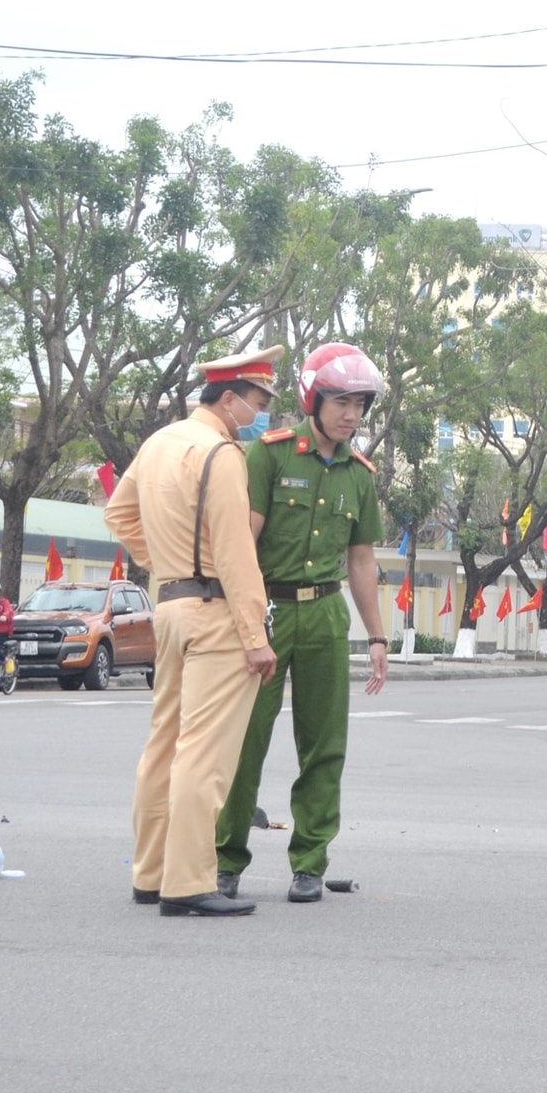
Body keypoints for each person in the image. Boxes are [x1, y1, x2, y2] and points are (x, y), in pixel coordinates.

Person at [106, 346, 281, 916]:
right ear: (227, 399)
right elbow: (236, 554)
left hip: (171, 609)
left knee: (163, 746)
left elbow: (119, 514)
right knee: (204, 755)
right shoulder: (222, 454)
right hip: (215, 614)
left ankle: (150, 874)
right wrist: (255, 636)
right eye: (256, 404)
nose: (259, 416)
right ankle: (188, 883)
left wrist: (163, 563)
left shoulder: (159, 442)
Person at [215, 342, 388, 905]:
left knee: (323, 745)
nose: (352, 415)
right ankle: (225, 861)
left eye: (360, 404)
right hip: (266, 610)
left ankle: (310, 862)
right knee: (246, 741)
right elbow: (243, 540)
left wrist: (378, 636)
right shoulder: (269, 456)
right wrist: (243, 622)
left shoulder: (360, 475)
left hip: (325, 615)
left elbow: (361, 561)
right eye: (342, 401)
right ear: (313, 398)